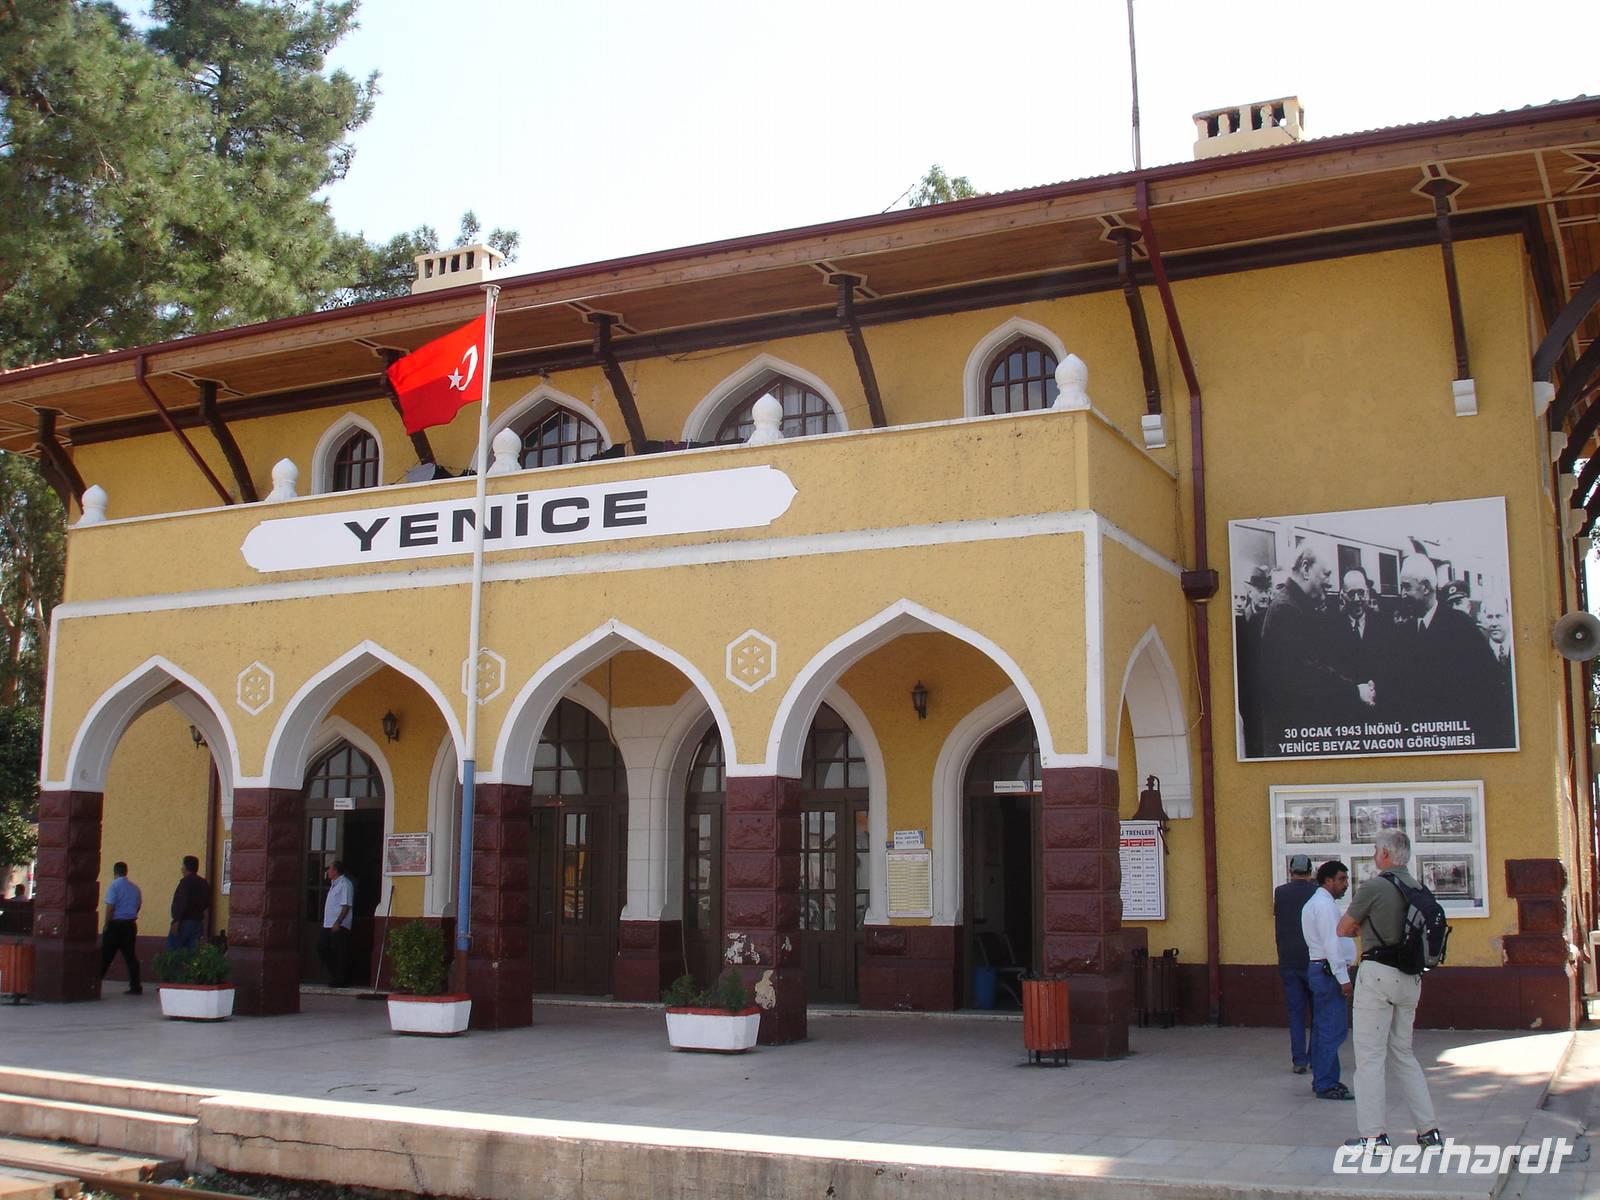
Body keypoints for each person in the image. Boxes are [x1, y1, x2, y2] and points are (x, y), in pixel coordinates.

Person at [1337, 829, 1442, 1151]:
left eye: (1374, 850)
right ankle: (1429, 1131)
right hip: (1411, 978)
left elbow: (1343, 928)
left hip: (1377, 974)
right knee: (1404, 1054)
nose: (1373, 855)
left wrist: (1364, 928)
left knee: (1369, 1057)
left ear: (1384, 854)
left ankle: (1373, 1136)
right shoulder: (1418, 887)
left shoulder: (1374, 887)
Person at [1257, 538, 1368, 752]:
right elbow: (1307, 674)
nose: (1330, 583)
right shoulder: (1287, 611)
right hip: (1291, 737)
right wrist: (1355, 691)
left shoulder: (1294, 606)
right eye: (1326, 574)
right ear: (1306, 568)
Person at [1395, 555, 1501, 742]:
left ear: (1426, 587)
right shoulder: (1403, 633)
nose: (1402, 593)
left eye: (1406, 587)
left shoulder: (1461, 626)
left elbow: (1488, 685)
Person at [1300, 858, 1356, 1100]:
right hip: (1328, 972)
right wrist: (1343, 978)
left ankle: (1327, 1079)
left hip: (1324, 970)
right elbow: (1331, 944)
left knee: (1327, 1029)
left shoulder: (1322, 903)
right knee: (1331, 1030)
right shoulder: (1323, 906)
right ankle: (1325, 1082)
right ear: (1328, 880)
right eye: (1342, 880)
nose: (1345, 885)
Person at [1273, 853, 1318, 1074]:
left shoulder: (1280, 893)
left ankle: (1299, 1060)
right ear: (1310, 871)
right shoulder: (1318, 893)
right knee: (1318, 1012)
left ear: (1291, 871)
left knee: (1296, 1012)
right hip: (1313, 959)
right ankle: (1316, 1057)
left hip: (1288, 959)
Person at [1331, 568, 1391, 723]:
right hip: (1346, 714)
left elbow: (1391, 665)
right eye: (1351, 594)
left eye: (1361, 593)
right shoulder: (1330, 627)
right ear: (1343, 596)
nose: (1357, 599)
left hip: (1379, 711)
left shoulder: (1385, 625)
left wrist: (1375, 689)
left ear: (1368, 593)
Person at [1235, 564, 1273, 757]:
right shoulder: (1240, 620)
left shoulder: (1271, 619)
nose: (1265, 596)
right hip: (1243, 694)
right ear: (1251, 591)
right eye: (1260, 591)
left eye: (1268, 590)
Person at [99, 861, 143, 995]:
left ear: (115, 872)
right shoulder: (135, 888)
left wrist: (106, 924)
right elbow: (138, 905)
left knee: (105, 956)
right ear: (126, 872)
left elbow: (110, 907)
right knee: (130, 956)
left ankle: (94, 983)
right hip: (130, 925)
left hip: (115, 924)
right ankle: (136, 986)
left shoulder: (114, 886)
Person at [318, 860, 354, 988]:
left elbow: (346, 905)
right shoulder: (334, 885)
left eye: (330, 869)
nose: (328, 871)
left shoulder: (345, 884)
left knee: (340, 952)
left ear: (335, 871)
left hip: (339, 924)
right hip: (328, 924)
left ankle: (341, 979)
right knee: (322, 947)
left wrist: (338, 922)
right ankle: (336, 975)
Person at [166, 854, 211, 951]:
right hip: (197, 922)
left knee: (173, 953)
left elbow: (181, 902)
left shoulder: (185, 882)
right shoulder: (203, 883)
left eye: (182, 866)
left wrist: (177, 920)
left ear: (185, 867)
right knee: (192, 955)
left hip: (183, 922)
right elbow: (207, 902)